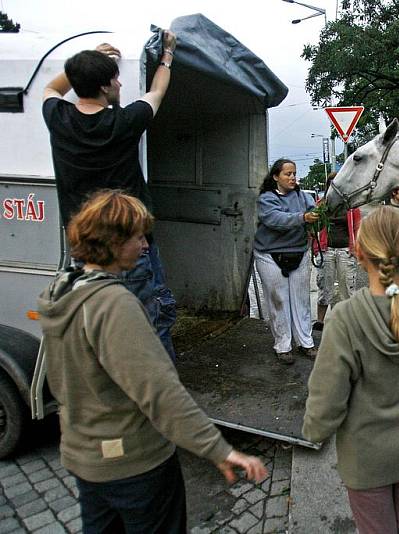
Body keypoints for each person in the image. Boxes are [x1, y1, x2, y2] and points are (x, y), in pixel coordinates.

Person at [37, 191, 267, 533]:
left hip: (86, 463)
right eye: (138, 237)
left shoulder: (61, 292)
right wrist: (217, 449)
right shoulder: (113, 304)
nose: (146, 246)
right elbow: (160, 392)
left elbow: (58, 383)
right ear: (113, 242)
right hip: (135, 466)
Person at [303, 206, 399, 534]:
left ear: (358, 253)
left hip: (366, 459)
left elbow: (327, 399)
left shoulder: (344, 318)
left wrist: (314, 433)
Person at [42, 34, 179, 361]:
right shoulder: (125, 121)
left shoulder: (58, 118)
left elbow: (51, 89)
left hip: (86, 253)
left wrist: (88, 59)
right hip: (131, 248)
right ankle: (156, 396)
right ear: (105, 87)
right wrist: (168, 54)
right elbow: (157, 90)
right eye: (115, 78)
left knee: (103, 329)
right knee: (150, 322)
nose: (120, 82)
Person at [254, 158, 319, 365]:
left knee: (301, 300)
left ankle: (306, 343)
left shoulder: (302, 196)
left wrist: (318, 218)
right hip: (270, 255)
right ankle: (283, 345)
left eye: (294, 174)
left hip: (298, 252)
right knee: (278, 300)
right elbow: (274, 219)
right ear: (276, 177)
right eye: (287, 174)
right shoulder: (266, 199)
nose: (292, 178)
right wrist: (303, 219)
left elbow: (315, 212)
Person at [313, 172, 367, 330]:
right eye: (330, 184)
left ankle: (344, 322)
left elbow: (358, 228)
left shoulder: (351, 207)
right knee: (325, 287)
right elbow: (314, 228)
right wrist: (316, 248)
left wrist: (355, 249)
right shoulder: (321, 204)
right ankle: (320, 321)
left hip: (345, 250)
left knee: (347, 288)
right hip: (326, 250)